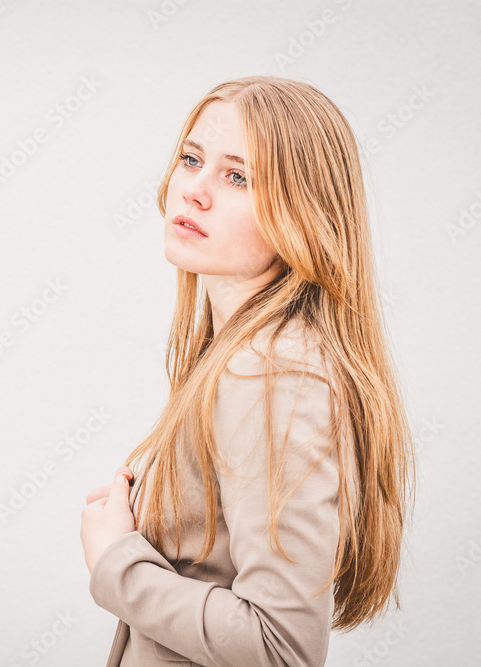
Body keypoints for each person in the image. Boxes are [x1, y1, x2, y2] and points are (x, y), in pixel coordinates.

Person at [79, 75, 416, 667]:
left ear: (303, 215)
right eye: (191, 160)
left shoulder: (270, 374)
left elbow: (281, 648)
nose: (194, 191)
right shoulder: (245, 355)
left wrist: (116, 560)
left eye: (237, 177)